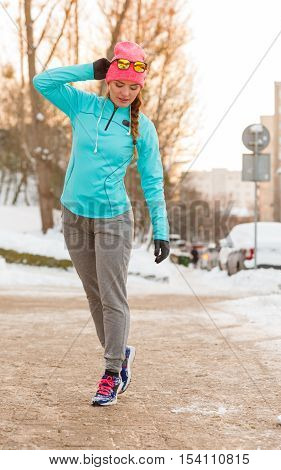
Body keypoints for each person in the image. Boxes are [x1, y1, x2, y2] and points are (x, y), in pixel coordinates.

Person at [33, 41, 170, 406]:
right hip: (74, 217)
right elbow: (42, 81)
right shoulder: (82, 106)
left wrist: (161, 229)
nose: (126, 92)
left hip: (113, 220)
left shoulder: (143, 128)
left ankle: (112, 372)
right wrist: (89, 70)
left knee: (112, 297)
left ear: (141, 89)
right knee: (94, 296)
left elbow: (153, 180)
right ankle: (120, 354)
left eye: (134, 87)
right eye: (120, 83)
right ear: (108, 81)